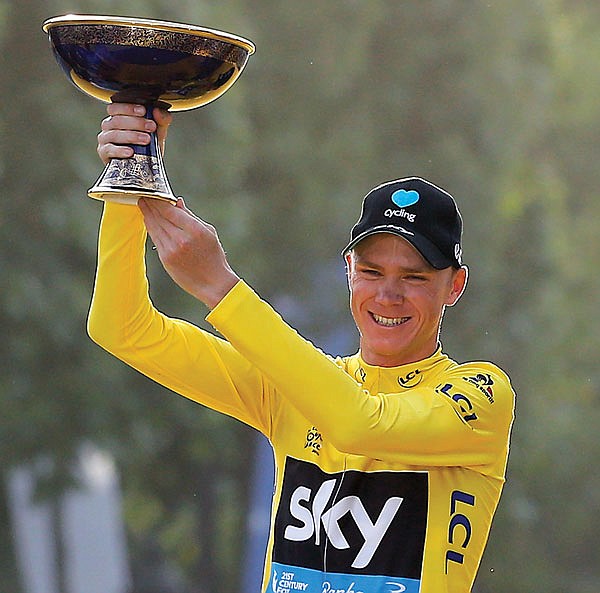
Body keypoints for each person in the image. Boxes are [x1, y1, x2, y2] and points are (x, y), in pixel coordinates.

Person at [89, 103, 515, 593]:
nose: (388, 295)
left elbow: (359, 423)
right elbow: (121, 328)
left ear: (454, 286)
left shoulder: (481, 395)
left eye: (414, 278)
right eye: (372, 272)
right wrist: (128, 179)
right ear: (348, 269)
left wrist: (222, 288)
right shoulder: (300, 389)